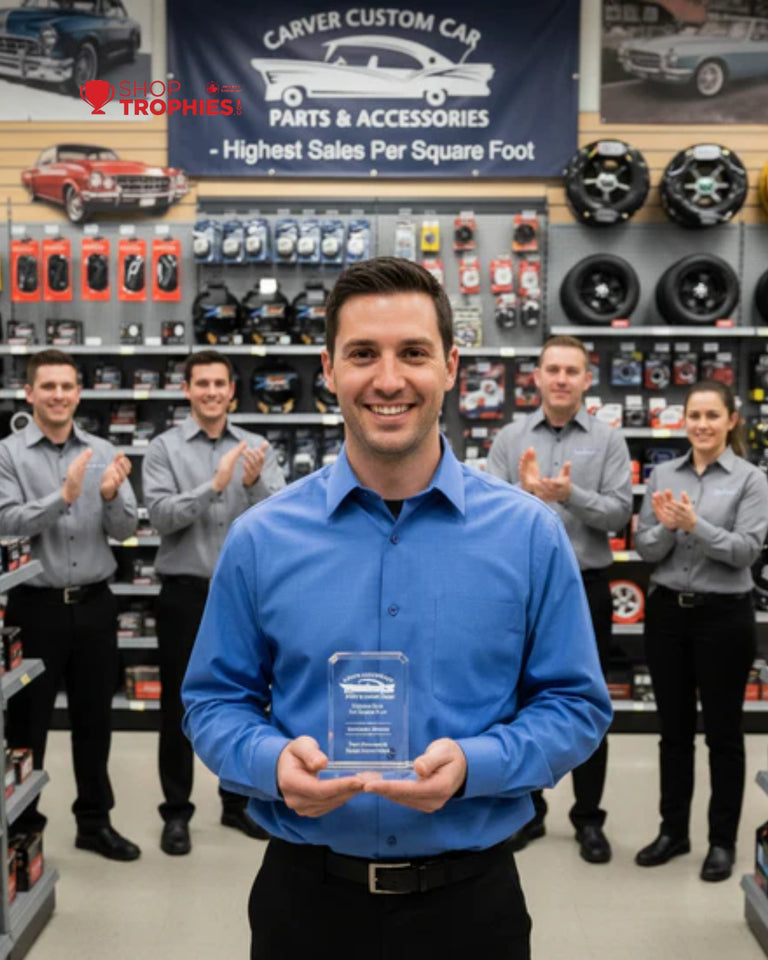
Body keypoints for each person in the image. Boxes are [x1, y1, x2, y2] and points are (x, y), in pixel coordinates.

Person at [181, 256, 613, 960]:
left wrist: (479, 763)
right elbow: (213, 702)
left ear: (450, 365)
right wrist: (268, 761)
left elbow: (576, 705)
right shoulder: (260, 538)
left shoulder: (529, 535)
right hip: (305, 905)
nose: (387, 380)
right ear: (327, 369)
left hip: (472, 908)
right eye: (362, 355)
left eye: (412, 353)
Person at [485, 334, 632, 864]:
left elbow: (619, 515)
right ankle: (529, 811)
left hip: (588, 586)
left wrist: (571, 496)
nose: (562, 379)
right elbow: (484, 518)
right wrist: (525, 496)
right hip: (520, 589)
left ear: (586, 379)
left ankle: (588, 819)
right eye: (553, 369)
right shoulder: (510, 437)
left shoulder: (609, 440)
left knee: (587, 702)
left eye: (572, 370)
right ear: (538, 376)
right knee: (517, 699)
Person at [142, 349, 285, 856]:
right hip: (184, 594)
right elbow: (159, 517)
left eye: (219, 383)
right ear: (187, 389)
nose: (210, 391)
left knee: (247, 702)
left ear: (232, 390)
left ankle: (236, 803)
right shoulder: (162, 448)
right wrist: (215, 486)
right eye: (200, 383)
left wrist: (251, 484)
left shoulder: (256, 447)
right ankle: (176, 813)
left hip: (246, 598)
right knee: (178, 707)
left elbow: (282, 519)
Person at [0, 348, 140, 861]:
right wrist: (64, 495)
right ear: (30, 393)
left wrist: (107, 495)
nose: (59, 395)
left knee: (93, 720)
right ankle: (25, 824)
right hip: (34, 609)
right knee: (27, 724)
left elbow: (126, 531)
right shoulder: (9, 454)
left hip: (96, 606)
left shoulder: (103, 449)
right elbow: (6, 522)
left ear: (79, 393)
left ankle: (94, 821)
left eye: (67, 386)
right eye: (48, 386)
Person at [634, 379, 768, 882]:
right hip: (668, 614)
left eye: (713, 416)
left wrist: (695, 525)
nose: (703, 425)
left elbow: (745, 552)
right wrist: (668, 527)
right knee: (672, 734)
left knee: (723, 735)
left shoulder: (750, 479)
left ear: (731, 420)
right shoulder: (663, 474)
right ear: (683, 420)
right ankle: (673, 832)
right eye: (695, 415)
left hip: (724, 617)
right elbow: (646, 550)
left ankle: (720, 841)